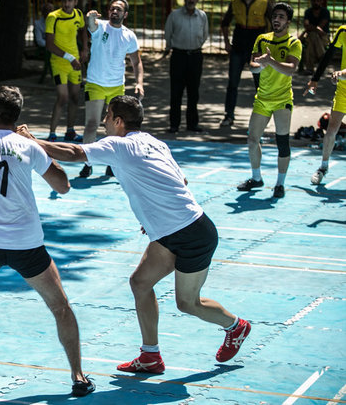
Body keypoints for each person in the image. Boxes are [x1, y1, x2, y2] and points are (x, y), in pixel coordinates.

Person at [17, 95, 251, 374]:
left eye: (107, 116)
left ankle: (236, 326)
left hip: (192, 233)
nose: (103, 122)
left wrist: (31, 140)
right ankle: (150, 356)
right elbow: (181, 180)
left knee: (187, 303)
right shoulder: (155, 142)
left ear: (118, 121)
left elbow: (73, 152)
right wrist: (153, 213)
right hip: (171, 231)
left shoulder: (118, 144)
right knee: (140, 283)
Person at [0, 85, 95, 397]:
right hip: (27, 245)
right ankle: (78, 375)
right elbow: (64, 185)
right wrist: (38, 149)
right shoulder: (28, 146)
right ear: (17, 116)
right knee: (60, 306)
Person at [236, 2, 301, 199]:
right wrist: (259, 66)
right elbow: (253, 66)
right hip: (262, 99)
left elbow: (291, 69)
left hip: (282, 100)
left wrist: (270, 61)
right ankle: (257, 178)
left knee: (282, 142)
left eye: (281, 17)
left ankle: (280, 184)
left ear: (288, 22)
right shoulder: (262, 39)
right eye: (275, 16)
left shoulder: (293, 43)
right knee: (252, 139)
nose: (276, 20)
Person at [80, 0, 144, 178]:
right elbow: (91, 25)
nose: (114, 11)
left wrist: (139, 82)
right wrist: (90, 18)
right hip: (95, 83)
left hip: (116, 86)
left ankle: (112, 164)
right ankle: (87, 163)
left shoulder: (129, 35)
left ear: (125, 14)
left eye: (118, 9)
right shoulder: (100, 27)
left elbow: (136, 62)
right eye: (112, 9)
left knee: (117, 127)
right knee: (92, 123)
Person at [220, 0, 270, 128]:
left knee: (260, 84)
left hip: (256, 46)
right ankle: (229, 115)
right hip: (239, 46)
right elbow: (225, 23)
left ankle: (263, 117)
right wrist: (226, 42)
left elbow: (272, 23)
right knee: (233, 83)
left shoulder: (264, 2)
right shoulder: (235, 3)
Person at [304, 25, 346, 185]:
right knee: (331, 130)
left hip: (343, 78)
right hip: (343, 90)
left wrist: (340, 73)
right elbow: (328, 55)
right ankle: (323, 167)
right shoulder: (343, 31)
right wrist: (314, 79)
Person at [44, 0, 88, 143]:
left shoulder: (78, 15)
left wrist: (85, 49)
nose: (67, 4)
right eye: (64, 1)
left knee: (75, 97)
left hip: (75, 63)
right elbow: (49, 45)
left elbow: (83, 30)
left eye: (70, 0)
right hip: (59, 63)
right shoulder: (53, 17)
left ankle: (70, 131)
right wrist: (69, 58)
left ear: (75, 2)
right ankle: (52, 133)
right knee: (63, 97)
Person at [164, 0, 207, 133]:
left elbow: (205, 35)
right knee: (176, 92)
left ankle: (192, 124)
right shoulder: (174, 16)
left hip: (195, 56)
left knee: (193, 92)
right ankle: (174, 124)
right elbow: (168, 34)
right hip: (178, 56)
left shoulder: (202, 16)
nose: (191, 0)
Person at [299, 0, 330, 75]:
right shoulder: (308, 12)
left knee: (310, 44)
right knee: (313, 35)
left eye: (318, 1)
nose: (316, 2)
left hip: (323, 37)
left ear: (321, 2)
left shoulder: (325, 12)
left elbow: (321, 26)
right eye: (314, 1)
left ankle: (309, 69)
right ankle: (322, 56)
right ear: (311, 2)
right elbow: (307, 25)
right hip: (313, 36)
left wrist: (311, 27)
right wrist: (315, 29)